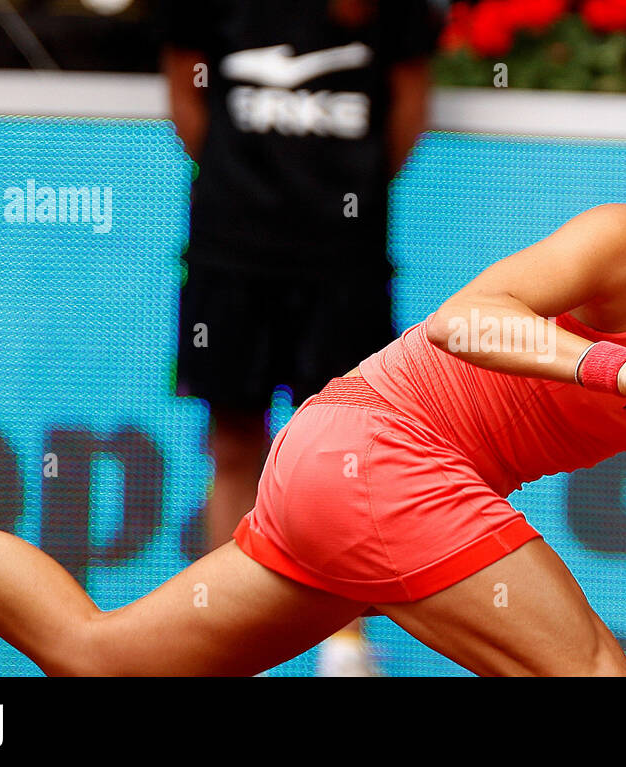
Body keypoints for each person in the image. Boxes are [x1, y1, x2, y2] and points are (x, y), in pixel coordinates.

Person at [0, 127, 626, 676]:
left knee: (100, 658)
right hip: (379, 446)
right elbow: (460, 323)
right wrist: (616, 370)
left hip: (360, 490)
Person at [160, 0, 442, 675]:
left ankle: (344, 643)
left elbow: (406, 113)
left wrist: (339, 199)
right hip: (229, 256)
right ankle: (220, 637)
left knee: (344, 454)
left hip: (345, 265)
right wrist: (249, 194)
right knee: (233, 443)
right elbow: (185, 99)